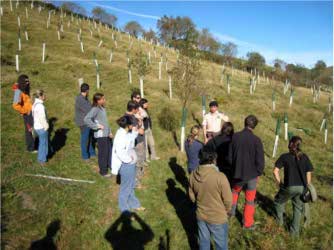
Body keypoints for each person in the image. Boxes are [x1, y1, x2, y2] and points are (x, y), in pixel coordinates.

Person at [189, 146, 232, 250]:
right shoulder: (220, 177)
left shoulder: (193, 174)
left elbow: (191, 196)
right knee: (221, 246)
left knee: (203, 244)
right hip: (218, 217)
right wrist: (226, 211)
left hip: (201, 215)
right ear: (214, 159)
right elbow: (228, 200)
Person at [228, 115, 264, 229]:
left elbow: (229, 157)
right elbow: (260, 160)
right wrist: (258, 172)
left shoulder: (235, 137)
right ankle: (247, 223)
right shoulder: (257, 140)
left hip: (237, 172)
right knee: (249, 200)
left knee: (234, 192)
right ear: (254, 126)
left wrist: (233, 168)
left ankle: (230, 213)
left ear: (244, 123)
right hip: (252, 175)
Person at [273, 136, 314, 236]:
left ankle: (279, 224)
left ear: (291, 144)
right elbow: (309, 172)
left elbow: (275, 171)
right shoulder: (305, 157)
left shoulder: (284, 156)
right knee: (297, 209)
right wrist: (307, 186)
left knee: (278, 202)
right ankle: (294, 234)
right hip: (302, 188)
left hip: (289, 186)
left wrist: (280, 183)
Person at [111, 116, 145, 213]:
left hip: (130, 164)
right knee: (126, 187)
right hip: (126, 165)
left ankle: (134, 204)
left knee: (130, 185)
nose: (133, 126)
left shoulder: (125, 132)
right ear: (129, 126)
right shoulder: (121, 136)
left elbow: (131, 137)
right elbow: (120, 152)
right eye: (133, 125)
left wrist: (136, 128)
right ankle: (124, 209)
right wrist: (129, 160)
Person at [84, 93, 113, 177]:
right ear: (98, 100)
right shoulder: (95, 109)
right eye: (103, 99)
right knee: (103, 153)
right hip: (101, 135)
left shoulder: (102, 108)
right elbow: (86, 119)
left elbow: (106, 122)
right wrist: (96, 126)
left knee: (108, 152)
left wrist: (109, 132)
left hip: (106, 134)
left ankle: (110, 166)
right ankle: (103, 172)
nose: (104, 100)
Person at [12, 74, 36, 152]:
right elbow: (15, 105)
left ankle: (32, 146)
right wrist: (26, 111)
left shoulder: (24, 89)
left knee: (31, 130)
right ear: (21, 81)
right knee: (29, 130)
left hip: (31, 113)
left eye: (28, 80)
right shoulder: (18, 91)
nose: (28, 82)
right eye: (26, 81)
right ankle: (30, 148)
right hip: (27, 115)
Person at [124, 101, 145, 188]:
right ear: (133, 109)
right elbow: (140, 131)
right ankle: (136, 182)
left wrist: (139, 123)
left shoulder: (128, 116)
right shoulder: (130, 119)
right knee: (136, 162)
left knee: (137, 162)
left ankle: (137, 178)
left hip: (135, 142)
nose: (138, 110)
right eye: (137, 109)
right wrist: (140, 128)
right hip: (136, 143)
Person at [74, 83, 96, 161]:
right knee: (85, 139)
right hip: (83, 123)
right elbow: (89, 110)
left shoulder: (83, 98)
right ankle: (85, 156)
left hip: (86, 121)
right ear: (87, 90)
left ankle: (92, 152)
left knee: (89, 137)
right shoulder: (81, 99)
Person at [32, 90, 49, 166]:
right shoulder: (40, 106)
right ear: (40, 96)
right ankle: (42, 160)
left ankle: (40, 157)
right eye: (44, 95)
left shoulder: (34, 104)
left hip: (36, 127)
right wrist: (46, 127)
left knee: (41, 143)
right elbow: (42, 118)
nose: (45, 96)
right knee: (43, 143)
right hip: (41, 127)